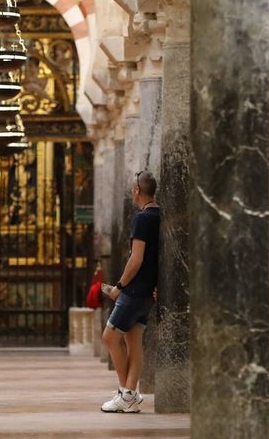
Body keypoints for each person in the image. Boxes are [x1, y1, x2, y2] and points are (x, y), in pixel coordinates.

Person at [100, 170, 161, 414]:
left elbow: (135, 260)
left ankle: (126, 394)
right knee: (134, 342)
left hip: (134, 290)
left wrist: (119, 287)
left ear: (136, 190)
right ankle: (130, 395)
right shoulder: (160, 216)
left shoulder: (142, 219)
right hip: (148, 290)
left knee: (109, 337)